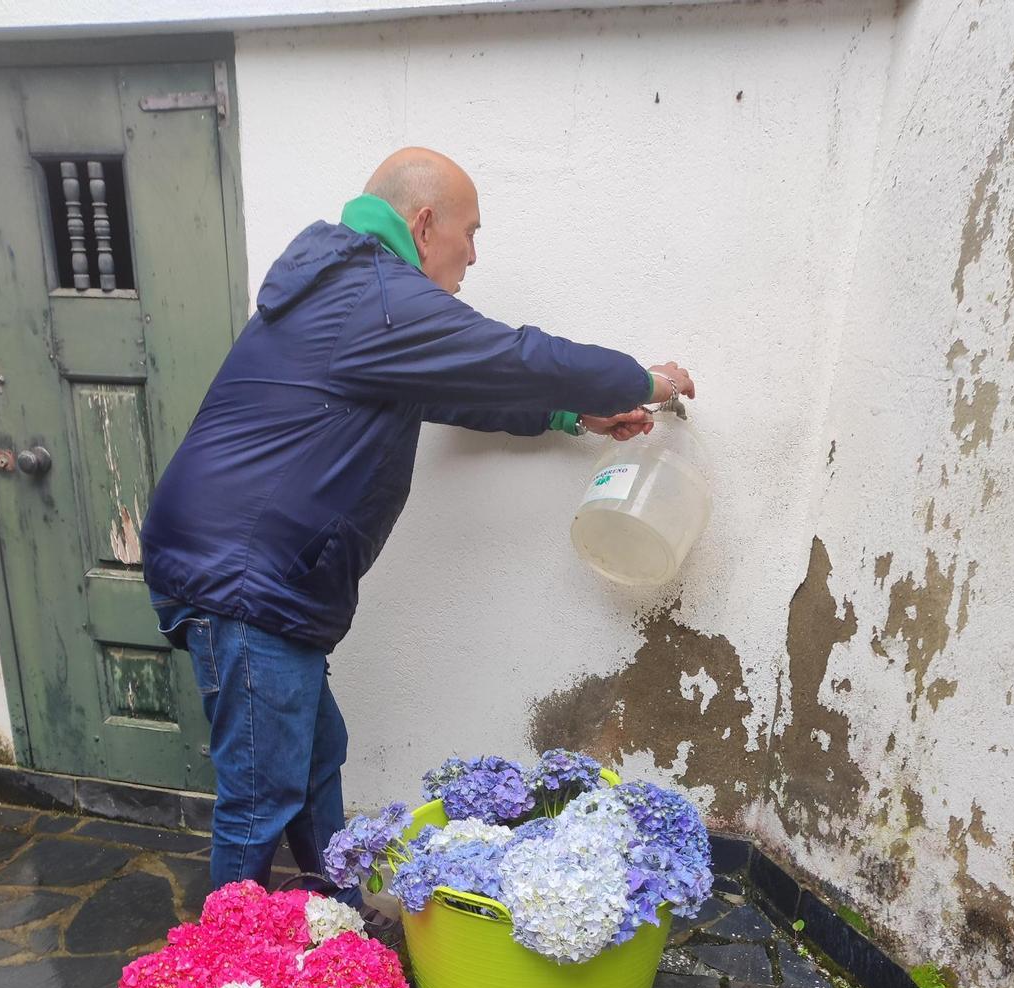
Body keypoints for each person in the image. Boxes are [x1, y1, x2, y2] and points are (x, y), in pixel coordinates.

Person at [141, 147, 695, 894]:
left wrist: (571, 414)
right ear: (425, 223)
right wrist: (644, 379)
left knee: (314, 760)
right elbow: (516, 357)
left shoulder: (354, 291)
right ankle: (228, 960)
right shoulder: (375, 293)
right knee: (260, 796)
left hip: (258, 574)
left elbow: (453, 392)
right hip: (243, 577)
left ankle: (336, 913)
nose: (474, 254)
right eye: (470, 232)